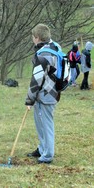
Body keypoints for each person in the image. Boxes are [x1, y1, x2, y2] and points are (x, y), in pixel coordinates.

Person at [25, 23, 61, 164]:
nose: (33, 40)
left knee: (46, 125)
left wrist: (29, 100)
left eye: (33, 37)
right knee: (40, 124)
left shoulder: (42, 55)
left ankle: (47, 155)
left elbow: (36, 80)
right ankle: (42, 148)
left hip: (45, 95)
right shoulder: (55, 47)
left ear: (37, 38)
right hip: (53, 93)